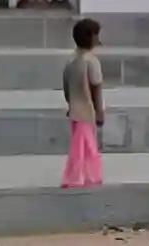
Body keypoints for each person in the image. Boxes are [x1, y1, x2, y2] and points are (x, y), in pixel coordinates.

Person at [61, 17, 105, 188]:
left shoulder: (71, 60)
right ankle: (85, 176)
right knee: (86, 146)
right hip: (87, 110)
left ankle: (82, 175)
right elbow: (96, 88)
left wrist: (70, 103)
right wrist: (99, 110)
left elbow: (66, 87)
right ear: (91, 37)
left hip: (74, 110)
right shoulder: (91, 61)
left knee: (80, 145)